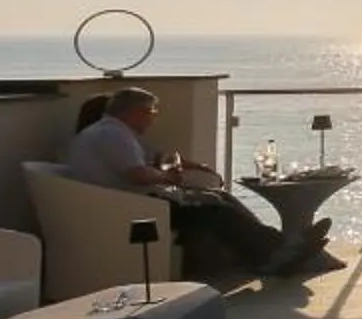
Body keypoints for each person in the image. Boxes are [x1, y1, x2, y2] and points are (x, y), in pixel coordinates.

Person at [61, 86, 314, 275]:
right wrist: (167, 177)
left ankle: (278, 249)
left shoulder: (112, 133)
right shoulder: (113, 136)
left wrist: (196, 166)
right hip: (135, 211)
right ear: (137, 112)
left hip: (125, 205)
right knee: (215, 209)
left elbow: (159, 157)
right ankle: (275, 255)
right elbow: (137, 174)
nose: (153, 118)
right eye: (151, 112)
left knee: (218, 200)